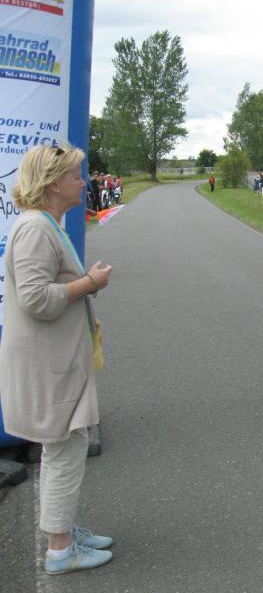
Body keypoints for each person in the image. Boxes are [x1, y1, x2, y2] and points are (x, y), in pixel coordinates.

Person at [0, 143, 114, 575]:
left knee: (63, 445)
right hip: (47, 364)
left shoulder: (45, 223)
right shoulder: (36, 228)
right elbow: (36, 299)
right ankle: (60, 549)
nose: (83, 182)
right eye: (74, 175)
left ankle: (61, 531)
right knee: (66, 445)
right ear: (52, 184)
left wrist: (84, 282)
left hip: (54, 360)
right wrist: (89, 283)